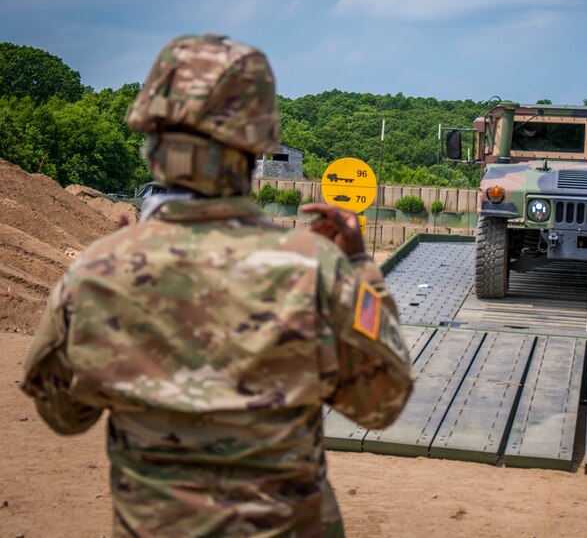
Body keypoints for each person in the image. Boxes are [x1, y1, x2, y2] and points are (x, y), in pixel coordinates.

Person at [21, 33, 413, 537]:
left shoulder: (99, 270)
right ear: (257, 144)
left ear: (152, 137)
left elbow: (62, 414)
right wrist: (358, 268)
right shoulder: (315, 267)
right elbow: (381, 404)